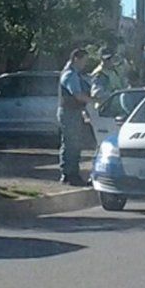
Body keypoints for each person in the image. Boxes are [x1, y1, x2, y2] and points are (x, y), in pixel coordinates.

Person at [57, 48, 93, 186]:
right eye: (84, 60)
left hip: (73, 112)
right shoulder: (70, 75)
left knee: (74, 143)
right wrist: (94, 101)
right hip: (69, 112)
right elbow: (77, 95)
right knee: (71, 144)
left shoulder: (76, 74)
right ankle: (69, 175)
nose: (85, 63)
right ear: (76, 59)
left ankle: (72, 174)